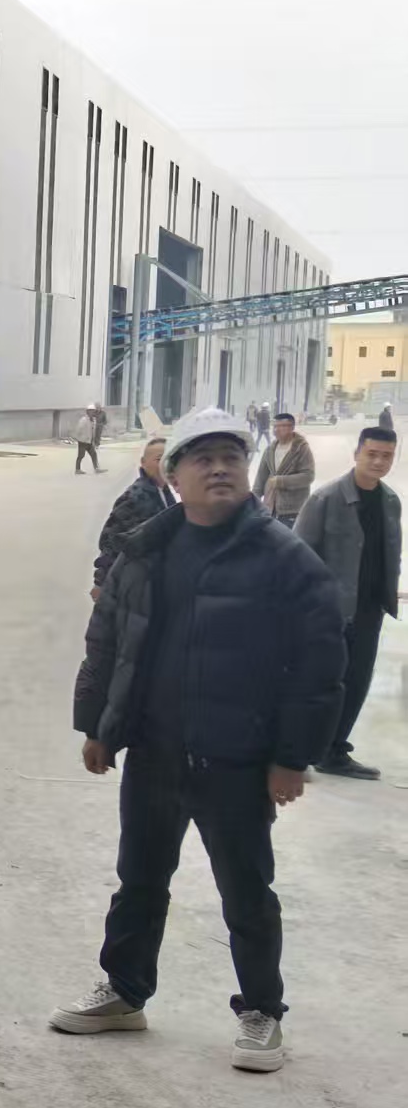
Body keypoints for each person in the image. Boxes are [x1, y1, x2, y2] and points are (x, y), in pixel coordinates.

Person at [55, 406, 345, 1073]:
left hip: (236, 761)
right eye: (203, 459)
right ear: (174, 475)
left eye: (231, 458)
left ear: (247, 470)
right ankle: (125, 993)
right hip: (154, 752)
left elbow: (319, 667)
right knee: (139, 880)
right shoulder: (146, 551)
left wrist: (292, 758)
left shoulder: (285, 560)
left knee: (246, 891)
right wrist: (99, 727)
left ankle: (262, 1012)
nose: (219, 469)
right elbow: (108, 641)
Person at [297, 428, 401, 781]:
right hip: (331, 611)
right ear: (357, 453)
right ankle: (308, 750)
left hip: (370, 609)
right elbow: (299, 556)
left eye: (387, 455)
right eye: (372, 453)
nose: (379, 461)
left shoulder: (390, 501)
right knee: (324, 683)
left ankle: (335, 750)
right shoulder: (325, 499)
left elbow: (389, 551)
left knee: (357, 683)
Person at [90, 437, 176, 599]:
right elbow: (111, 541)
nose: (164, 464)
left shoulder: (164, 492)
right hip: (137, 582)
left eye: (169, 459)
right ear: (143, 462)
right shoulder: (135, 497)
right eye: (159, 459)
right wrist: (100, 582)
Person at [252, 412, 315, 526]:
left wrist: (281, 481)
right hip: (270, 507)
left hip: (292, 510)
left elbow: (308, 476)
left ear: (292, 427)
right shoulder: (270, 449)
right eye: (275, 426)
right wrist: (253, 501)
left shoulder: (301, 449)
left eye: (282, 426)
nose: (276, 430)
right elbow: (261, 477)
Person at [73, 404, 105, 475]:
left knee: (94, 454)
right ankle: (77, 469)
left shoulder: (93, 420)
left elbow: (93, 431)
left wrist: (93, 440)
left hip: (89, 441)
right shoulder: (83, 420)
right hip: (83, 441)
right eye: (91, 411)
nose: (93, 413)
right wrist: (79, 438)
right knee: (81, 455)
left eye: (94, 411)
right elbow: (78, 429)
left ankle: (96, 468)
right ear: (88, 412)